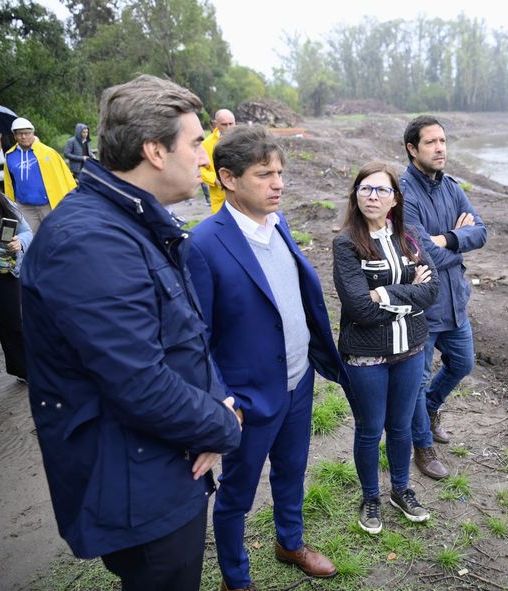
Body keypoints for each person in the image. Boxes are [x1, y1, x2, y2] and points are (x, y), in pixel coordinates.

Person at [20, 74, 242, 590]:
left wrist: (213, 410)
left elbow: (185, 334)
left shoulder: (135, 221)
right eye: (195, 144)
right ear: (154, 152)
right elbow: (138, 382)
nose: (206, 157)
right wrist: (222, 427)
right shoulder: (91, 241)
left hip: (166, 458)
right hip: (136, 483)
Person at [186, 125, 347, 590]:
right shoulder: (204, 244)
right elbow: (197, 337)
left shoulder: (279, 223)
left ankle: (289, 542)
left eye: (279, 172)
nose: (278, 183)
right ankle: (236, 578)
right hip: (249, 398)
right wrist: (224, 400)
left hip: (298, 384)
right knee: (236, 494)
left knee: (292, 471)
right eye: (264, 174)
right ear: (228, 179)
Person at [332, 161, 440, 535]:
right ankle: (371, 497)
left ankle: (401, 489)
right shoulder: (345, 244)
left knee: (400, 427)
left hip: (410, 349)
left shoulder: (409, 237)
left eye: (381, 190)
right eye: (366, 189)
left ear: (395, 198)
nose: (372, 196)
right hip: (365, 355)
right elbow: (359, 308)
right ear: (356, 195)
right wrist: (410, 287)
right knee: (369, 429)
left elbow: (432, 291)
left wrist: (385, 292)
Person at [401, 115, 488, 480]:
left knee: (462, 364)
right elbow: (423, 254)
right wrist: (455, 241)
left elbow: (481, 232)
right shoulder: (403, 192)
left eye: (443, 141)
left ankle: (432, 410)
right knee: (416, 382)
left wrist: (446, 239)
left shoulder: (452, 187)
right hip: (423, 306)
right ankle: (422, 446)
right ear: (412, 149)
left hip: (455, 303)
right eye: (431, 142)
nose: (440, 148)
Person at [3, 117, 75, 232]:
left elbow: (64, 175)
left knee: (54, 234)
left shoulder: (48, 152)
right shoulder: (10, 155)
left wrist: (71, 197)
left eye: (27, 133)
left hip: (48, 205)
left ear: (33, 133)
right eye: (20, 133)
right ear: (14, 135)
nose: (23, 136)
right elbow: (9, 182)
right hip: (24, 207)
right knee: (30, 239)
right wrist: (11, 203)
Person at [0, 186, 31, 396]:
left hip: (3, 273)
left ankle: (24, 369)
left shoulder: (1, 201)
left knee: (12, 325)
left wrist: (20, 243)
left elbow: (26, 231)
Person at [200, 108, 236, 213]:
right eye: (224, 124)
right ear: (216, 124)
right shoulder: (206, 144)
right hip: (220, 197)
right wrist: (214, 180)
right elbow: (199, 167)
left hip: (242, 194)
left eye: (231, 124)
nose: (228, 128)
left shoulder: (244, 141)